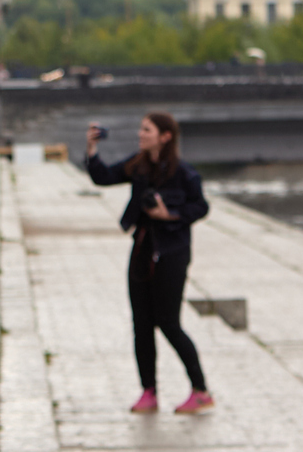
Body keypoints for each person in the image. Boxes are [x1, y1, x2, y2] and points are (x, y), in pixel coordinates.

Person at [86, 112, 215, 415]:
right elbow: (102, 176)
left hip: (172, 252)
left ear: (165, 136)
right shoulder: (139, 165)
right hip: (143, 250)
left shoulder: (184, 173)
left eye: (147, 130)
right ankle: (149, 391)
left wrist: (168, 215)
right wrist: (92, 149)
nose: (141, 134)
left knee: (168, 323)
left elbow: (201, 207)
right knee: (141, 324)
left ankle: (200, 390)